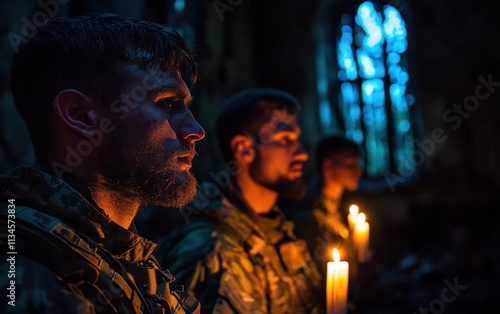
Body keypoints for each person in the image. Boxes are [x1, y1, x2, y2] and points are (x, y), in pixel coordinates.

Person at [0, 13, 205, 313]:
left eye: (186, 106)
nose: (195, 130)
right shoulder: (24, 279)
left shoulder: (127, 262)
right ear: (81, 115)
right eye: (167, 103)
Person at [154, 88, 323, 313]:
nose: (302, 153)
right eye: (285, 139)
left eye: (297, 139)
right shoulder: (211, 254)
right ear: (244, 149)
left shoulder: (274, 228)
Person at [287, 136, 362, 276]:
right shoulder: (309, 217)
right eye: (350, 164)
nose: (358, 171)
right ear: (328, 166)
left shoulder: (337, 208)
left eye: (357, 164)